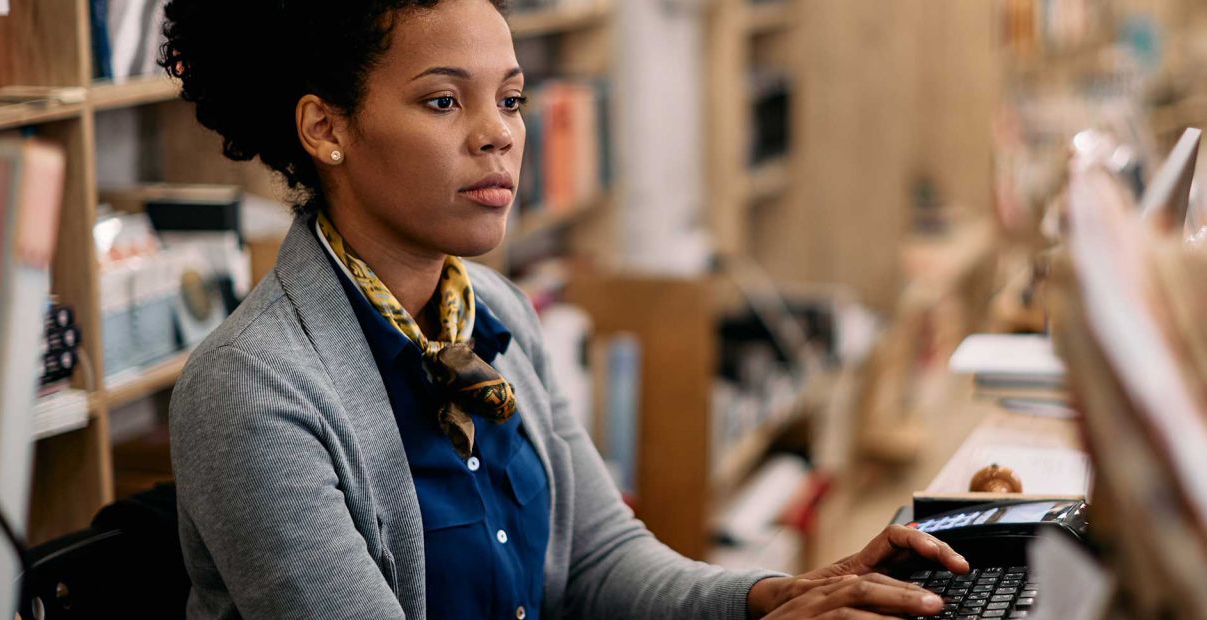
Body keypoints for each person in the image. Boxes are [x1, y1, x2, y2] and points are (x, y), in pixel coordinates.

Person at [159, 0, 968, 618]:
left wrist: (780, 597)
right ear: (325, 127)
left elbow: (597, 559)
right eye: (444, 102)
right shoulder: (251, 390)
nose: (500, 136)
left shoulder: (496, 311)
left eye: (510, 100)